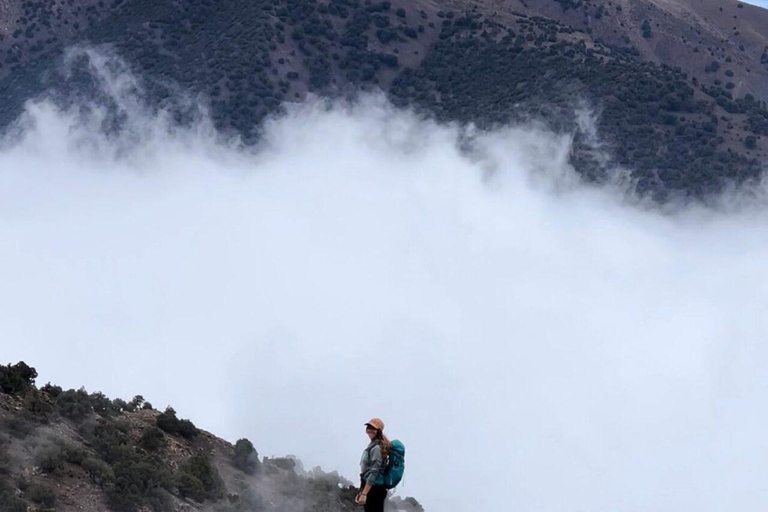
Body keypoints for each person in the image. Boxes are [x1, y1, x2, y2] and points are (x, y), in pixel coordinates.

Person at [356, 417, 390, 511]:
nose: (370, 430)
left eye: (374, 429)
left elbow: (374, 471)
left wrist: (364, 494)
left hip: (374, 488)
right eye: (369, 428)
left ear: (379, 431)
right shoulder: (373, 445)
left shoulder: (377, 448)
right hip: (373, 487)